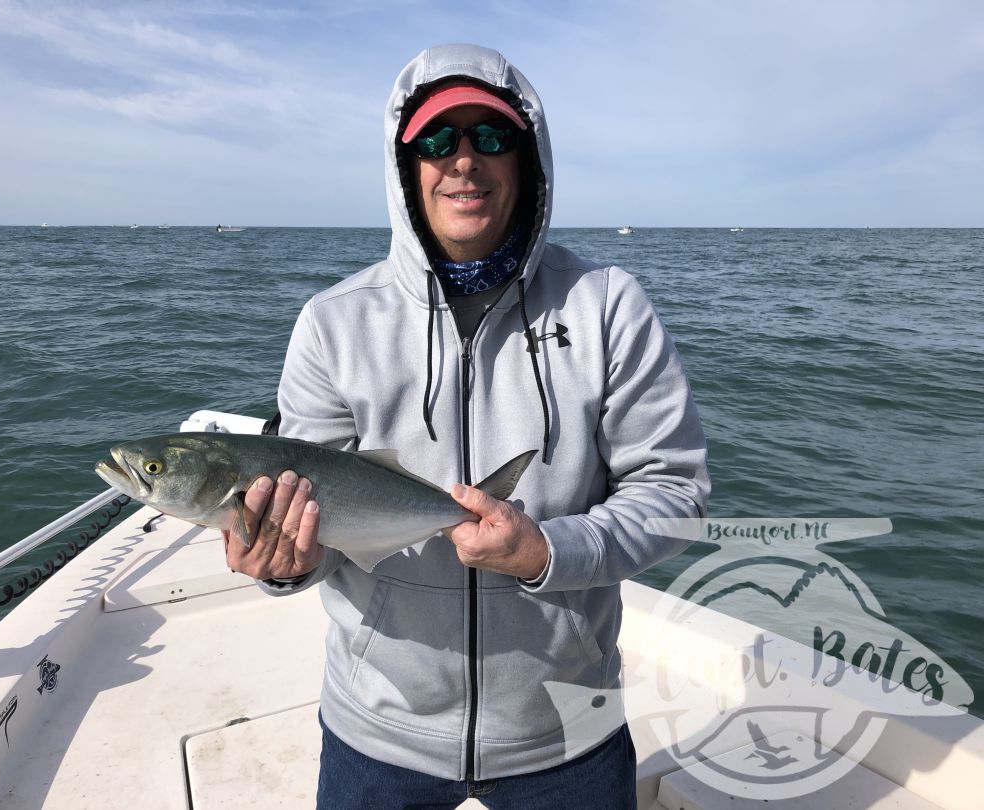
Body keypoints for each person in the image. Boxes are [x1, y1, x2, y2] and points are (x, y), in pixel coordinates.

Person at [225, 44, 709, 808]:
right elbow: (319, 526)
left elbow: (676, 495)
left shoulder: (608, 305)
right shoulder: (333, 324)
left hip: (569, 729)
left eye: (491, 137)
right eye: (437, 141)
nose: (463, 162)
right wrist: (283, 562)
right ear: (406, 164)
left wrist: (548, 550)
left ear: (527, 159)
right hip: (376, 733)